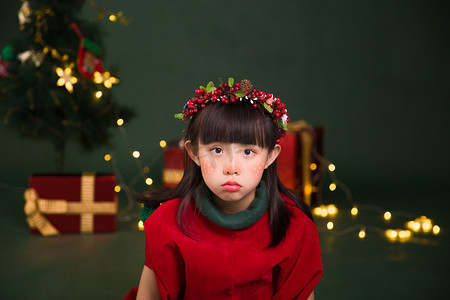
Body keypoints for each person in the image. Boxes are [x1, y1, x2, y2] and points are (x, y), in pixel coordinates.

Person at [125, 78, 323, 300]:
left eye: (248, 152)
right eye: (217, 150)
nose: (231, 168)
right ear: (194, 152)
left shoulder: (296, 226)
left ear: (270, 155)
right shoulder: (165, 222)